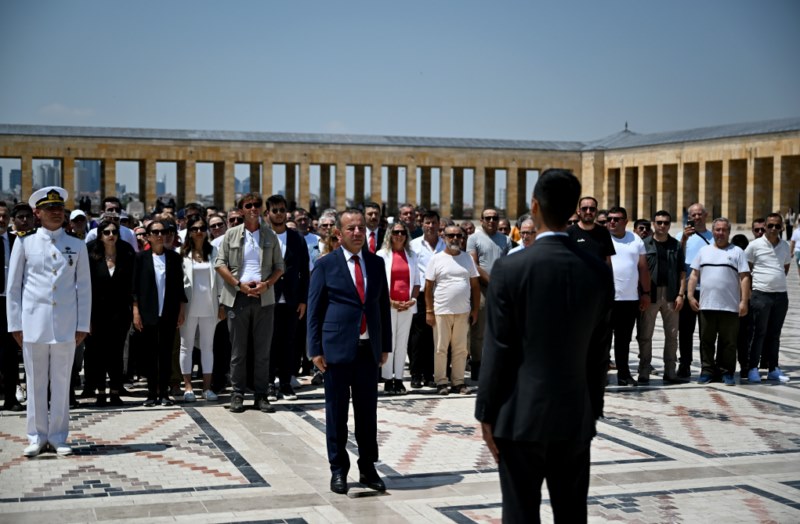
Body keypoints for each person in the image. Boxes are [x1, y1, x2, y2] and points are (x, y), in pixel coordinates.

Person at [475, 169, 614, 523]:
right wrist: (591, 408)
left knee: (520, 513)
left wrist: (486, 412)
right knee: (571, 514)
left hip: (520, 415)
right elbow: (599, 353)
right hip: (574, 415)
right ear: (572, 210)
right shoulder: (597, 270)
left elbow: (499, 349)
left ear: (534, 207)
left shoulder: (510, 269)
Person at [306, 208, 392, 495]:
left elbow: (381, 307)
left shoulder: (376, 264)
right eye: (351, 228)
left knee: (368, 414)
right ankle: (338, 470)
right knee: (337, 414)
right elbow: (314, 310)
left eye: (361, 228)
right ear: (339, 234)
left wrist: (385, 345)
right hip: (336, 352)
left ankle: (368, 467)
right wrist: (314, 349)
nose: (357, 232)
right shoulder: (326, 264)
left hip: (368, 351)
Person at [7, 186, 91, 457]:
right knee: (35, 382)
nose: (56, 213)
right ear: (37, 213)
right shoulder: (24, 241)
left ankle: (58, 436)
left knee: (62, 381)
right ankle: (35, 435)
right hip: (33, 324)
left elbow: (84, 288)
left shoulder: (76, 243)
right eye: (50, 209)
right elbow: (14, 287)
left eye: (59, 209)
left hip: (66, 325)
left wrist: (83, 325)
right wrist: (15, 324)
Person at [214, 192, 284, 414]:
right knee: (238, 350)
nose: (253, 208)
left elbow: (280, 266)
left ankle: (261, 394)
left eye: (256, 205)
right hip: (238, 297)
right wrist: (238, 285)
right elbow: (220, 263)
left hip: (264, 298)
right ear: (242, 209)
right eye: (248, 205)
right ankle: (237, 393)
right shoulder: (231, 235)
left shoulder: (270, 235)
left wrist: (267, 284)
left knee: (263, 350)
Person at [687, 218, 750, 385]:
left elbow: (744, 277)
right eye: (717, 230)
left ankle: (726, 371)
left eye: (724, 230)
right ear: (713, 231)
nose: (720, 233)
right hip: (706, 304)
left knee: (729, 342)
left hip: (730, 305)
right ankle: (707, 370)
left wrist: (744, 301)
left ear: (729, 232)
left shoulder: (737, 252)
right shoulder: (704, 251)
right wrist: (690, 295)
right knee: (706, 340)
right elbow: (694, 274)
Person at [132, 219, 187, 407]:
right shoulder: (140, 258)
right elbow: (135, 288)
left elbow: (179, 287)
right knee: (150, 354)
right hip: (148, 311)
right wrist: (136, 311)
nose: (159, 235)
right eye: (155, 232)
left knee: (165, 353)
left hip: (169, 311)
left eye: (162, 232)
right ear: (148, 236)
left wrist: (181, 310)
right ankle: (151, 393)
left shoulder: (174, 258)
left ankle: (164, 393)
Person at [85, 218, 136, 406]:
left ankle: (115, 390)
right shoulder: (90, 253)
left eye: (114, 232)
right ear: (100, 235)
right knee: (98, 353)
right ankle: (100, 391)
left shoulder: (127, 252)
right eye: (106, 232)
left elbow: (132, 284)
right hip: (96, 312)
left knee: (116, 352)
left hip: (120, 312)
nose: (111, 235)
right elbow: (85, 286)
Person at [425, 224, 480, 395]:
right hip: (442, 311)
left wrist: (475, 309)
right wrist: (429, 311)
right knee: (441, 348)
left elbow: (475, 285)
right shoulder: (436, 259)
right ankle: (441, 382)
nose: (455, 239)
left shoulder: (467, 258)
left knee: (461, 349)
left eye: (458, 236)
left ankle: (458, 382)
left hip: (463, 311)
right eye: (451, 236)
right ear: (444, 237)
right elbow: (428, 287)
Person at [264, 194, 309, 402]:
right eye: (275, 210)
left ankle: (285, 384)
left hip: (291, 299)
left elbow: (304, 272)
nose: (279, 214)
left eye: (282, 210)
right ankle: (269, 384)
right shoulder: (262, 236)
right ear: (268, 213)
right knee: (269, 343)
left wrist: (303, 300)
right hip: (268, 298)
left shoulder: (297, 239)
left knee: (289, 343)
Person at [636, 210, 687, 384]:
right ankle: (644, 371)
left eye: (666, 222)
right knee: (646, 334)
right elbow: (639, 270)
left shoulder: (676, 245)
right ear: (653, 223)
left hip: (671, 294)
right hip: (650, 294)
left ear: (670, 224)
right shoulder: (644, 244)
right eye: (659, 222)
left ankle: (670, 372)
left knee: (672, 335)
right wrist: (642, 293)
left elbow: (682, 272)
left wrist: (681, 294)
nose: (662, 226)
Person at [745, 213, 792, 383]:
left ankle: (773, 368)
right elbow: (746, 270)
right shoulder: (754, 246)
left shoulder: (785, 246)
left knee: (775, 333)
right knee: (759, 332)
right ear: (764, 226)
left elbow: (785, 267)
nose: (773, 229)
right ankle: (753, 368)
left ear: (782, 228)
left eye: (777, 226)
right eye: (770, 225)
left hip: (780, 295)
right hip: (761, 294)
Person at [606, 206, 650, 386]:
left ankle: (623, 374)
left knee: (624, 339)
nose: (612, 222)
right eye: (610, 218)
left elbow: (643, 268)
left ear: (625, 221)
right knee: (603, 339)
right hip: (607, 300)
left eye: (617, 219)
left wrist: (646, 293)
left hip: (629, 299)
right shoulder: (602, 238)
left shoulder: (635, 240)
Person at [179, 216, 221, 402]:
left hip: (210, 306)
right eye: (195, 228)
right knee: (186, 346)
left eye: (202, 228)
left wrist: (222, 304)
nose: (199, 232)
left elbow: (220, 280)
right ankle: (188, 387)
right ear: (189, 231)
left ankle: (206, 387)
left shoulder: (214, 252)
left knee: (207, 347)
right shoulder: (181, 254)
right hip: (188, 306)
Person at [467, 208, 511, 381]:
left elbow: (509, 262)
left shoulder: (505, 239)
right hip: (482, 288)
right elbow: (473, 264)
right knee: (478, 329)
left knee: (500, 329)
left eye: (494, 218)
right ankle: (476, 365)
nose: (491, 221)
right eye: (488, 218)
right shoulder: (474, 238)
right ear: (481, 220)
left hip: (501, 289)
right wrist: (492, 282)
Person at [376, 221, 419, 395]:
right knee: (389, 343)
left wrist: (413, 300)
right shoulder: (382, 254)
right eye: (395, 232)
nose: (399, 235)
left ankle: (399, 378)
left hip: (407, 306)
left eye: (402, 232)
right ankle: (387, 379)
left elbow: (417, 282)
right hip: (389, 306)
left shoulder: (412, 255)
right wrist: (390, 301)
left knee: (402, 344)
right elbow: (378, 283)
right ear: (389, 234)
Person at [408, 210, 445, 389]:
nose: (431, 226)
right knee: (417, 336)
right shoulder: (414, 245)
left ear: (439, 224)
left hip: (440, 294)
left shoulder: (445, 246)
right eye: (427, 223)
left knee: (435, 336)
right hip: (421, 294)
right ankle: (416, 374)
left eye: (434, 223)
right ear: (422, 224)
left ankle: (430, 374)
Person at [676, 203, 713, 378]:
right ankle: (685, 363)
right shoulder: (681, 236)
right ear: (689, 217)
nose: (697, 217)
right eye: (693, 215)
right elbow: (677, 259)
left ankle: (707, 365)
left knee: (707, 331)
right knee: (685, 330)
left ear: (706, 215)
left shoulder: (714, 237)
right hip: (687, 290)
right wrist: (683, 239)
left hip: (708, 290)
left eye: (700, 214)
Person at [0, 201, 24, 412]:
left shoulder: (16, 241)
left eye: (4, 216)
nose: (1, 219)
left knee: (10, 353)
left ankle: (11, 398)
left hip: (11, 302)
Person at [567, 196, 615, 265]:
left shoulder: (604, 232)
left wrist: (610, 275)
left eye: (592, 209)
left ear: (596, 211)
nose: (588, 212)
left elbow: (608, 261)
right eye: (584, 209)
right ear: (578, 211)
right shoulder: (568, 233)